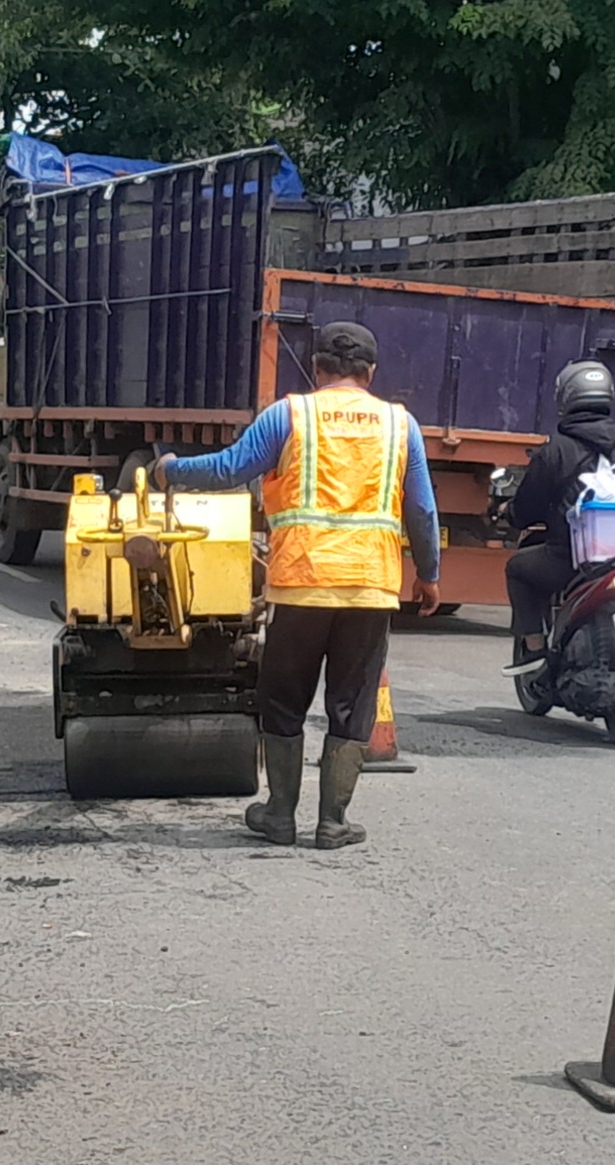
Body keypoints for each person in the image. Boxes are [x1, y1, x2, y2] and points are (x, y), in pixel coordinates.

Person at [156, 322, 440, 851]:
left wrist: (171, 470)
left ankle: (279, 815)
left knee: (284, 700)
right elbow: (421, 509)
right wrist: (429, 575)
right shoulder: (403, 425)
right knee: (352, 705)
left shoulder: (290, 415)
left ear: (316, 369)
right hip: (369, 589)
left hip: (301, 586)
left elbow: (229, 468)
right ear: (371, 373)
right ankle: (333, 823)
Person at [502, 361, 615, 676]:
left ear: (566, 398)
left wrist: (509, 514)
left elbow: (527, 509)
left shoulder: (555, 450)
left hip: (572, 561)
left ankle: (533, 652)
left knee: (518, 569)